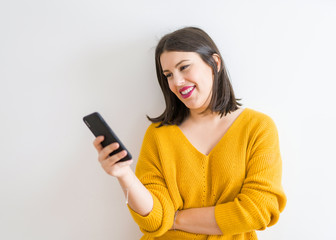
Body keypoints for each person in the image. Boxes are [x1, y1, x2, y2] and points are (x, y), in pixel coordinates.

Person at [93, 27, 286, 239]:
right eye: (168, 75)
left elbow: (258, 211)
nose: (177, 82)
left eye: (184, 67)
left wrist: (175, 219)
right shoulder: (159, 135)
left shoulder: (258, 127)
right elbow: (155, 220)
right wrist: (124, 175)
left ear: (215, 63)